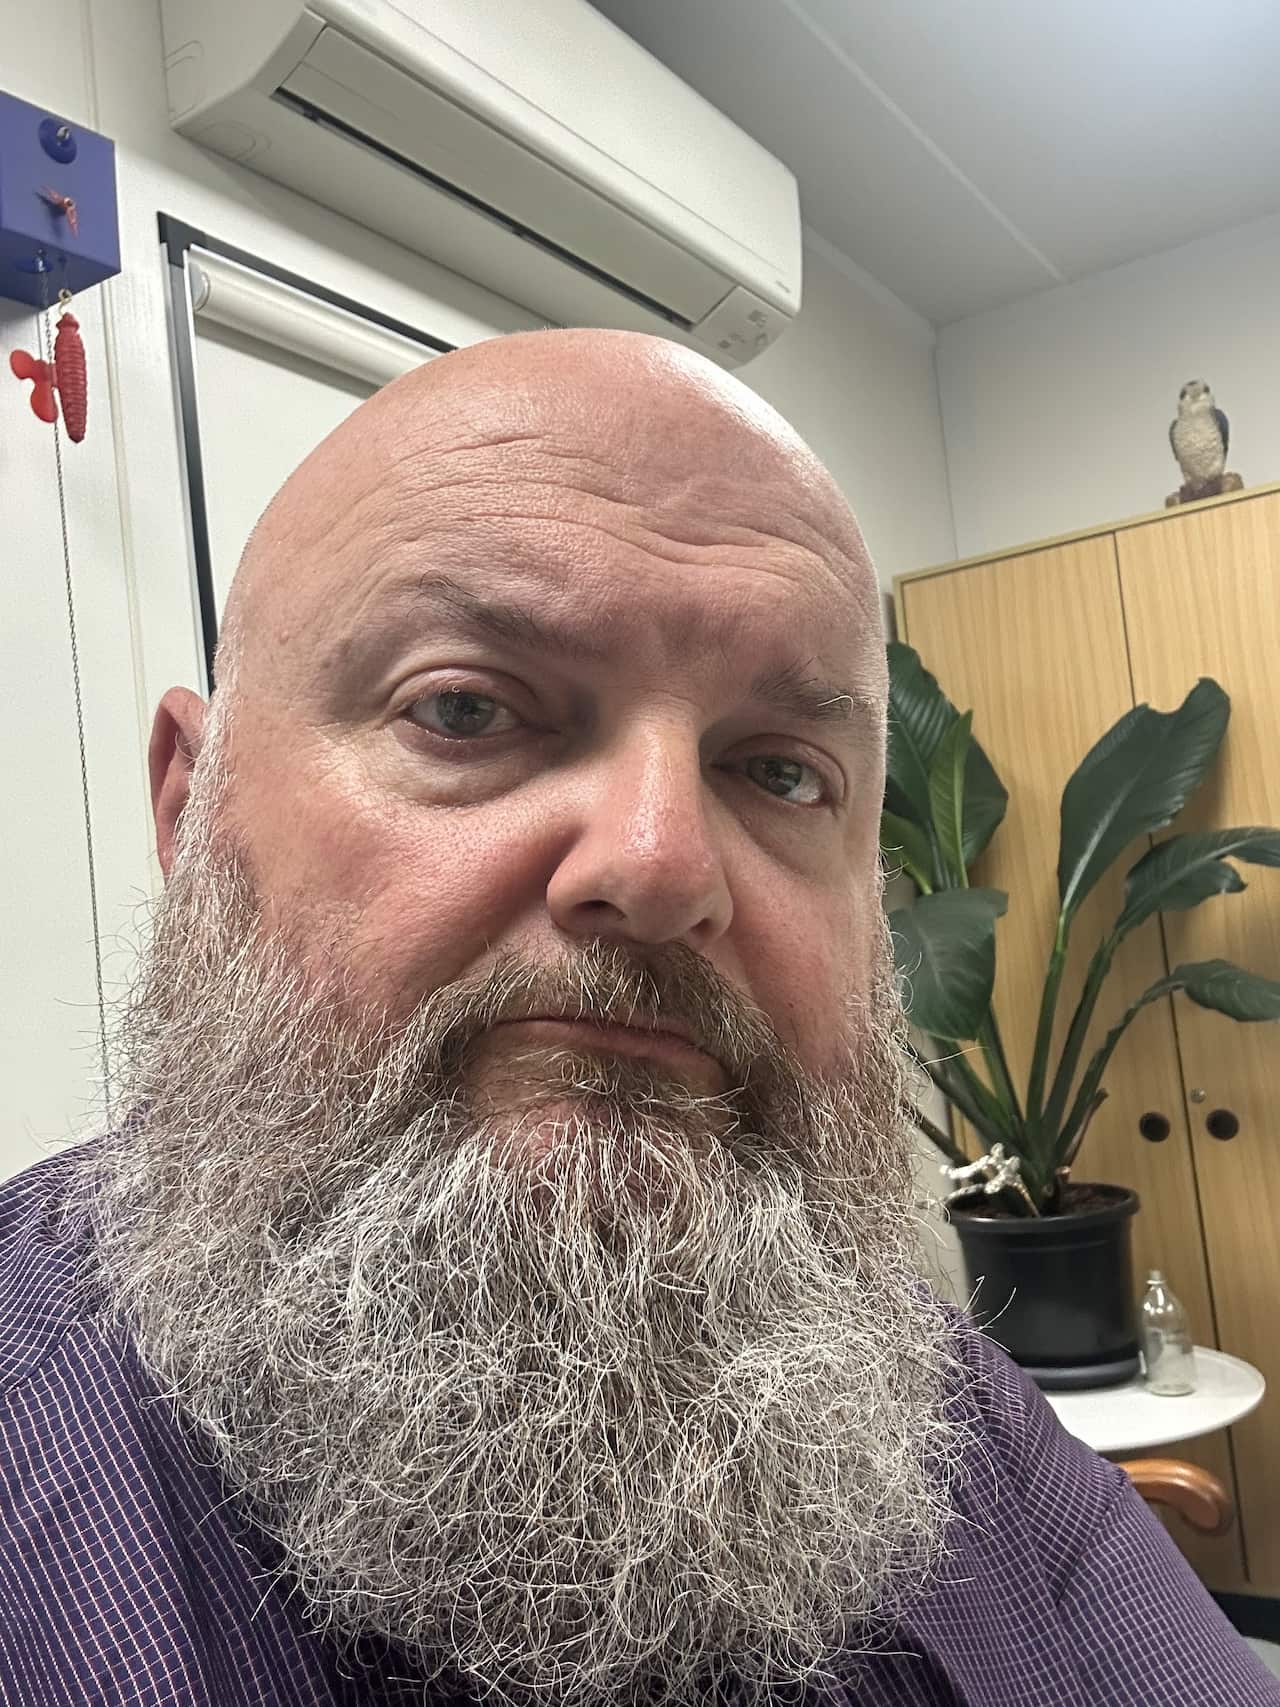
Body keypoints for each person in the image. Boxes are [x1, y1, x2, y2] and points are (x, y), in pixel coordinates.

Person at [0, 330, 1274, 1707]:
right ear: (191, 817)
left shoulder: (942, 1410)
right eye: (466, 708)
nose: (666, 866)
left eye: (780, 774)